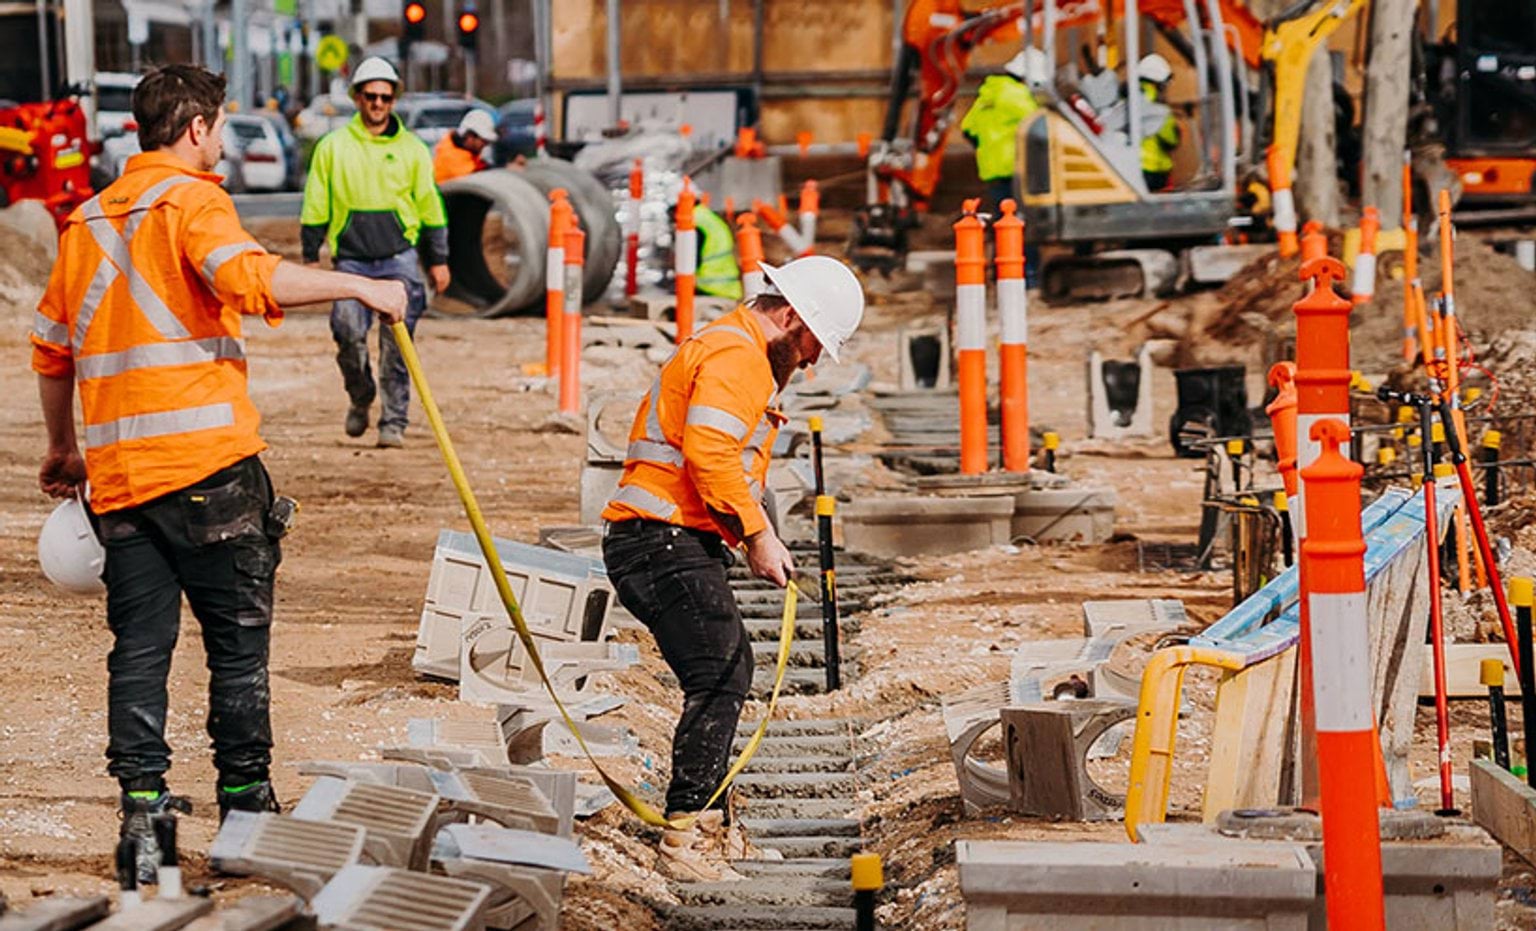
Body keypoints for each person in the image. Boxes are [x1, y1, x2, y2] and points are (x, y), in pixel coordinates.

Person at [30, 64, 408, 884]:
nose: (223, 141)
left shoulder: (84, 221)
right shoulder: (195, 200)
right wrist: (359, 284)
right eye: (223, 127)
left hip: (123, 480)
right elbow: (252, 276)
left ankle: (143, 822)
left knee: (140, 649)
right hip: (209, 471)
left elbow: (52, 351)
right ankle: (243, 808)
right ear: (197, 128)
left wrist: (64, 448)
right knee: (237, 646)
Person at [600, 255, 865, 882]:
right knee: (720, 673)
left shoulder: (738, 351)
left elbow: (723, 465)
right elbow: (710, 451)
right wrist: (758, 534)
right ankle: (685, 839)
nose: (811, 362)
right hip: (655, 537)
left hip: (669, 536)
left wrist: (746, 532)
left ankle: (711, 827)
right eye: (812, 346)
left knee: (728, 667)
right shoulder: (738, 356)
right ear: (791, 316)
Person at [301, 56, 448, 448]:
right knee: (348, 333)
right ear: (358, 98)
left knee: (397, 344)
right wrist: (311, 251)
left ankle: (393, 422)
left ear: (394, 99)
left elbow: (429, 203)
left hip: (399, 258)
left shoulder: (412, 150)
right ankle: (360, 394)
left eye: (385, 96)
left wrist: (439, 258)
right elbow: (316, 200)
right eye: (371, 96)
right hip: (351, 260)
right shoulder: (333, 148)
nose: (378, 104)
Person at [960, 49, 1045, 287]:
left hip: (992, 171)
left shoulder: (988, 94)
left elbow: (968, 129)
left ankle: (1003, 276)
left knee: (1002, 225)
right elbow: (1043, 125)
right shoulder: (1017, 96)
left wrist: (991, 152)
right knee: (1019, 227)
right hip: (1017, 171)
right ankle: (1026, 278)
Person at [1136, 53, 1181, 191]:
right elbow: (1171, 139)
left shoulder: (1130, 97)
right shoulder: (1157, 104)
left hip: (1131, 167)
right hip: (1154, 169)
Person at [691, 201, 743, 301]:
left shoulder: (693, 220)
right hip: (726, 289)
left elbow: (691, 259)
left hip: (709, 288)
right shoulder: (705, 215)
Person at [433, 109, 498, 185]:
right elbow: (475, 177)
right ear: (470, 136)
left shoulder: (462, 149)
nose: (486, 145)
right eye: (484, 141)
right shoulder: (451, 158)